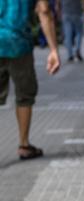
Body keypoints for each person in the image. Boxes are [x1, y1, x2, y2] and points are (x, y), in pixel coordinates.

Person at [0, 1, 60, 160]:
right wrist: (53, 49)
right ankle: (24, 144)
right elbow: (44, 11)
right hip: (19, 44)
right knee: (24, 96)